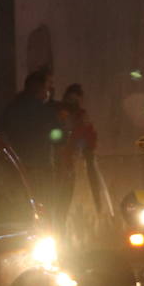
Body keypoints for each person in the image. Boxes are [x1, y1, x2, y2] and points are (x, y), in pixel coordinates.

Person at [0, 69, 64, 217]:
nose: (49, 91)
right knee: (44, 211)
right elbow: (60, 137)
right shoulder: (46, 112)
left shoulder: (12, 109)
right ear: (39, 88)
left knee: (19, 213)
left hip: (16, 171)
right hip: (41, 171)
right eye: (47, 87)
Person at [53, 83, 99, 235]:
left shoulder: (81, 117)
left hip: (76, 165)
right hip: (62, 164)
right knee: (62, 202)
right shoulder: (59, 114)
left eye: (76, 99)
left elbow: (89, 138)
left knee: (75, 201)